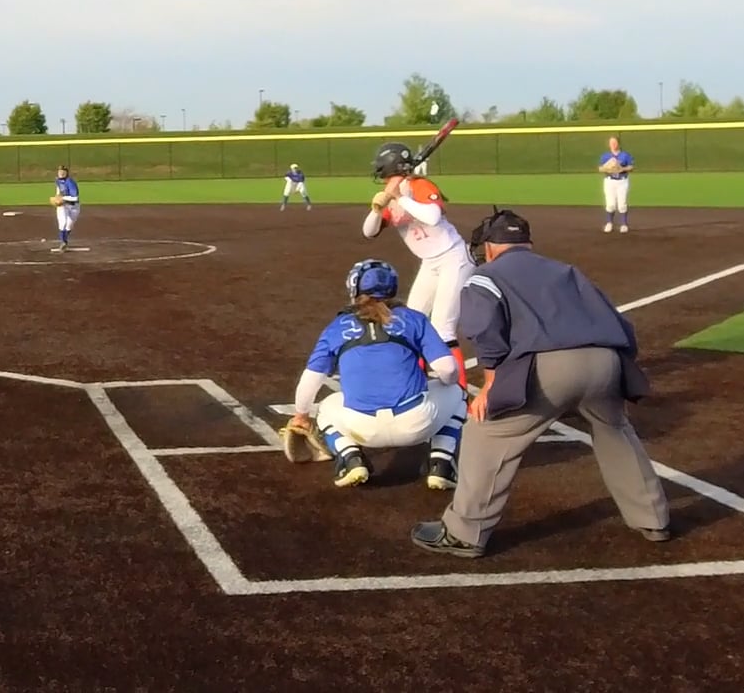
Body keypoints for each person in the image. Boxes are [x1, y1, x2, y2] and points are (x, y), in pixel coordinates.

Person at [411, 208, 671, 559]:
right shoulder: (567, 271)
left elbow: (484, 329)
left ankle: (464, 532)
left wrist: (491, 384)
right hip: (605, 361)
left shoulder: (484, 276)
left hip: (550, 370)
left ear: (489, 247)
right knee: (615, 431)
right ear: (527, 243)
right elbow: (620, 324)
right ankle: (653, 518)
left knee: (486, 432)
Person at [282, 259, 466, 490]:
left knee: (325, 408)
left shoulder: (336, 327)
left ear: (354, 288)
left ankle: (350, 458)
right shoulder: (414, 319)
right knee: (457, 392)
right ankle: (442, 463)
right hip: (417, 424)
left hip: (362, 429)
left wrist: (301, 415)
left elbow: (310, 380)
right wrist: (444, 385)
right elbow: (448, 369)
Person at [363, 141, 470, 387]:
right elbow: (369, 231)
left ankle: (460, 393)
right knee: (410, 322)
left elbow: (433, 216)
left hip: (453, 258)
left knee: (443, 329)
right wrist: (378, 208)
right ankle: (414, 383)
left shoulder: (420, 185)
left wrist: (400, 197)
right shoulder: (391, 196)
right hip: (430, 263)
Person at [599, 136, 633, 233]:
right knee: (610, 204)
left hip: (622, 181)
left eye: (615, 142)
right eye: (611, 143)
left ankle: (624, 224)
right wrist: (608, 168)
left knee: (622, 205)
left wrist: (622, 169)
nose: (613, 144)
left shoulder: (625, 155)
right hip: (609, 181)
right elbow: (600, 168)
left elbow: (631, 167)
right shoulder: (605, 156)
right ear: (609, 144)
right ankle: (609, 223)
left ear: (618, 143)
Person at [50, 166, 81, 252]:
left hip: (74, 206)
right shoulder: (57, 180)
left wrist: (62, 198)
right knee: (62, 222)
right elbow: (58, 189)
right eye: (59, 171)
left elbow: (75, 198)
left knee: (69, 225)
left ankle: (64, 240)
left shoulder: (70, 183)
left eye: (63, 172)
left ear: (67, 173)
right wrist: (57, 196)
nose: (61, 173)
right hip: (63, 206)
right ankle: (63, 242)